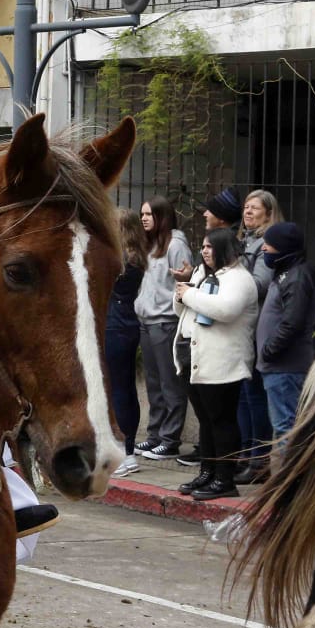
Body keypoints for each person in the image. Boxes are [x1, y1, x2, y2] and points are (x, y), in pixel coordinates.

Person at [174, 228, 260, 500]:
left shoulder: (239, 279)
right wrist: (180, 294)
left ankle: (225, 478)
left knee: (222, 420)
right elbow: (184, 310)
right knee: (205, 420)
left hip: (222, 361)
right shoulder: (202, 274)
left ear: (224, 248)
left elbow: (224, 310)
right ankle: (207, 472)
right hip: (194, 356)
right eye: (203, 246)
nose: (204, 251)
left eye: (210, 246)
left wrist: (188, 294)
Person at [133, 196, 193, 461]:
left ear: (162, 217)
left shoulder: (176, 244)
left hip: (166, 322)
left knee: (171, 384)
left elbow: (184, 280)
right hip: (146, 322)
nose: (143, 218)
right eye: (142, 214)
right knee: (154, 385)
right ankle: (155, 435)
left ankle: (170, 440)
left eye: (149, 214)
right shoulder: (150, 244)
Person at [256, 221, 315, 439]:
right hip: (277, 366)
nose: (264, 248)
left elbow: (292, 321)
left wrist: (269, 350)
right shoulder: (286, 273)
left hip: (285, 366)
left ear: (283, 247)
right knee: (284, 426)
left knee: (286, 428)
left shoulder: (297, 276)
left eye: (269, 244)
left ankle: (290, 473)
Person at [233, 188, 280, 484]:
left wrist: (231, 278)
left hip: (256, 325)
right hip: (240, 326)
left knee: (254, 396)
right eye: (246, 207)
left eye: (255, 208)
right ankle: (245, 453)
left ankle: (259, 459)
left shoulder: (266, 244)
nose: (248, 212)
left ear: (268, 213)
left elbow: (260, 284)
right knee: (242, 396)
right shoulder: (243, 241)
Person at [107, 208, 148, 478]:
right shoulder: (138, 256)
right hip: (128, 324)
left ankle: (123, 450)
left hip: (115, 325)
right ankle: (128, 451)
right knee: (126, 388)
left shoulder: (119, 260)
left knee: (117, 390)